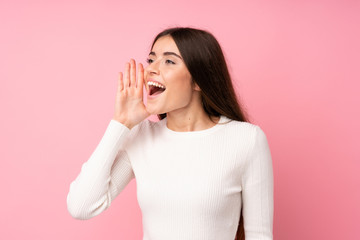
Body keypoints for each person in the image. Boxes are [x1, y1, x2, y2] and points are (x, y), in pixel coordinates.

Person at [67, 27, 274, 240]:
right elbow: (81, 206)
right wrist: (121, 122)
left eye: (169, 61)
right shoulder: (141, 136)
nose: (150, 70)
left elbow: (259, 235)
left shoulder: (247, 140)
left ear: (198, 80)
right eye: (151, 60)